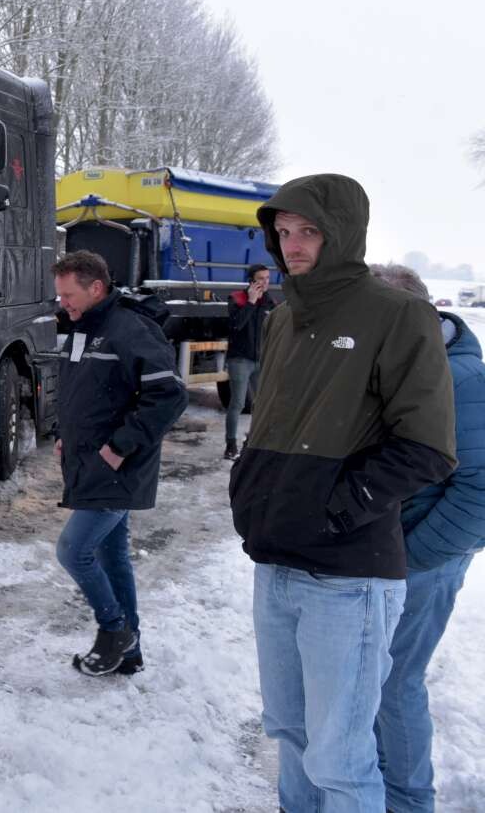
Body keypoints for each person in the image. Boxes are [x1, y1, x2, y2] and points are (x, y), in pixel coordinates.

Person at [228, 175, 457, 813]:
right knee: (291, 733)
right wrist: (251, 492)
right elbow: (270, 425)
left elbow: (429, 447)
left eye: (309, 231)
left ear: (344, 233)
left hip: (349, 577)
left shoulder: (397, 314)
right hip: (275, 564)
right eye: (283, 233)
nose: (293, 245)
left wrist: (334, 510)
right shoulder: (284, 317)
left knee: (340, 758)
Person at [369, 263, 485, 813]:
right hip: (392, 552)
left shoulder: (461, 380)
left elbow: (479, 495)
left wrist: (411, 557)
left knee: (395, 681)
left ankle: (409, 800)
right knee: (375, 676)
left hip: (425, 558)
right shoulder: (405, 363)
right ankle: (378, 781)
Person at [52, 250, 187, 676]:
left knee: (73, 551)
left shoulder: (130, 328)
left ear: (96, 288)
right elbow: (83, 392)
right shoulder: (84, 327)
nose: (62, 303)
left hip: (117, 467)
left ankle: (115, 630)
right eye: (60, 295)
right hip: (91, 462)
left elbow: (169, 395)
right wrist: (65, 435)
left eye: (69, 295)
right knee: (112, 557)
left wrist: (120, 447)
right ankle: (129, 654)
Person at [224, 263, 276, 460]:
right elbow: (236, 325)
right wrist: (251, 302)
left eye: (268, 278)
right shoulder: (237, 298)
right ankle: (230, 445)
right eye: (261, 278)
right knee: (238, 403)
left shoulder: (270, 302)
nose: (265, 282)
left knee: (261, 403)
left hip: (261, 360)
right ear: (251, 281)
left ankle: (254, 442)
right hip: (240, 360)